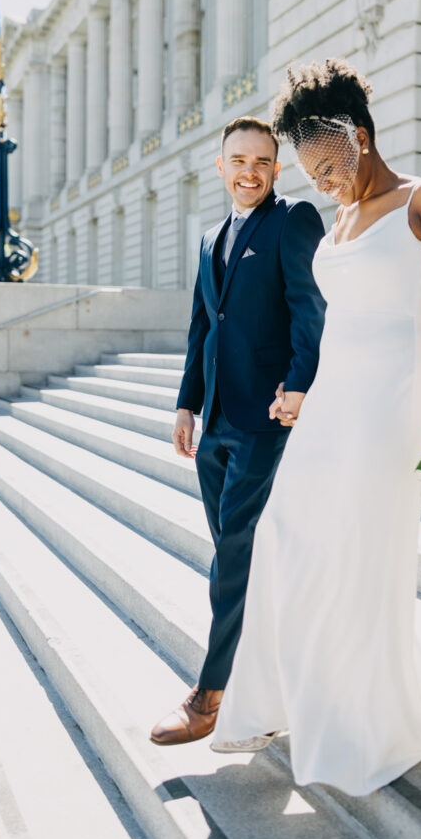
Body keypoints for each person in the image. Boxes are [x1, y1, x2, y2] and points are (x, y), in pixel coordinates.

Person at [211, 59, 421, 795]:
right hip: (328, 401)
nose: (324, 183)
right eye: (309, 173)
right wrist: (297, 389)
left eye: (330, 165)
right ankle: (288, 700)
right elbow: (318, 321)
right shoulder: (334, 218)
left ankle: (362, 721)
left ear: (360, 137)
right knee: (283, 538)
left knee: (359, 553)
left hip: (386, 399)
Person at [150, 116, 326, 747]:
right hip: (217, 421)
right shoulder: (208, 237)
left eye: (261, 161)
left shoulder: (293, 220)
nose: (250, 171)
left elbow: (311, 308)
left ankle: (211, 693)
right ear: (220, 166)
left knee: (232, 559)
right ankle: (263, 674)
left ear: (276, 169)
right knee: (234, 555)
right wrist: (186, 403)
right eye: (239, 160)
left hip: (265, 419)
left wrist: (302, 384)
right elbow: (203, 325)